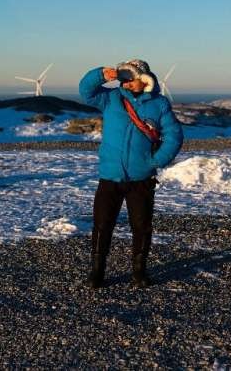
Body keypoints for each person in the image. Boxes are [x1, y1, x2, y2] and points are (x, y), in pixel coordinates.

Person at [79, 59, 183, 288]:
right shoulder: (112, 98)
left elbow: (174, 135)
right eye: (123, 79)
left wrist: (154, 161)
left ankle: (139, 272)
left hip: (141, 180)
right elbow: (85, 91)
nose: (126, 84)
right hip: (110, 176)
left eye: (130, 79)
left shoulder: (159, 104)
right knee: (102, 225)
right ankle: (97, 272)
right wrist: (101, 75)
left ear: (144, 79)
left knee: (142, 226)